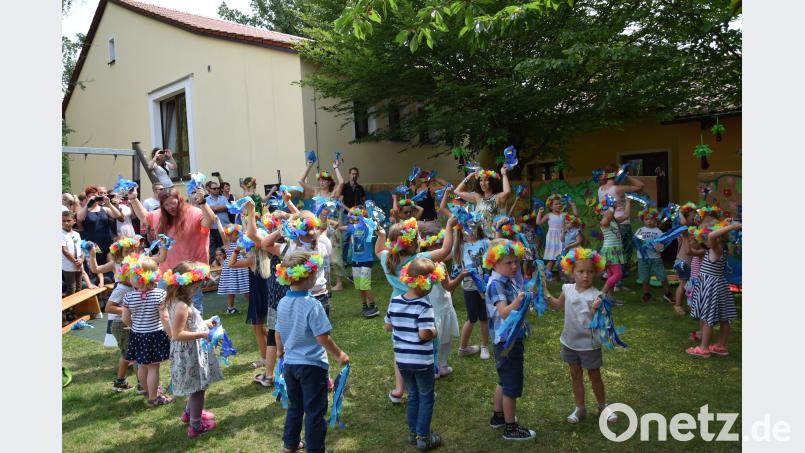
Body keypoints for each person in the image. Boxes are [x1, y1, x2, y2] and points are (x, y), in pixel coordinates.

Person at [275, 250, 350, 453]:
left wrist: (280, 352)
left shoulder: (282, 302)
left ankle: (290, 445)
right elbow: (322, 337)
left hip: (290, 365)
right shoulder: (312, 305)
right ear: (309, 277)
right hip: (312, 366)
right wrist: (339, 354)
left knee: (295, 407)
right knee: (315, 411)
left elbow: (278, 332)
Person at [376, 217, 456, 404]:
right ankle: (424, 388)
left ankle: (398, 389)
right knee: (426, 347)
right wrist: (449, 227)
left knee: (401, 348)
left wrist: (380, 235)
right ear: (412, 243)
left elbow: (379, 250)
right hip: (419, 307)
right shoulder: (420, 260)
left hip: (397, 307)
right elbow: (445, 251)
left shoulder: (388, 258)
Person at [545, 247, 619, 425]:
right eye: (580, 271)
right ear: (571, 272)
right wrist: (546, 294)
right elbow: (557, 306)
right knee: (575, 375)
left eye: (590, 272)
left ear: (596, 273)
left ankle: (602, 406)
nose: (585, 276)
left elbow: (599, 322)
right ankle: (580, 408)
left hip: (589, 344)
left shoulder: (597, 295)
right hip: (570, 342)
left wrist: (595, 309)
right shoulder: (567, 288)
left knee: (595, 376)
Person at [88, 235, 165, 392]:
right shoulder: (120, 277)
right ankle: (141, 385)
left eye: (133, 250)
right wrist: (92, 256)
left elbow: (161, 257)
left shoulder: (141, 262)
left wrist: (164, 245)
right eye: (127, 251)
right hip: (123, 322)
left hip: (132, 321)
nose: (131, 253)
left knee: (130, 354)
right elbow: (96, 271)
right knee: (134, 355)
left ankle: (124, 381)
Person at [385, 257, 443, 450]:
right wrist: (434, 331)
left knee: (413, 396)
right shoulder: (424, 306)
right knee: (427, 397)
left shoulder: (395, 301)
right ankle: (423, 438)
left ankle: (413, 433)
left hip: (402, 360)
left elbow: (387, 325)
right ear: (425, 283)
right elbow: (424, 334)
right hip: (421, 360)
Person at [129, 187, 215, 314]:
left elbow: (209, 221)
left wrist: (203, 202)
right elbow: (145, 217)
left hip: (190, 271)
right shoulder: (160, 215)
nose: (170, 207)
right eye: (166, 204)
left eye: (172, 203)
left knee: (193, 306)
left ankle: (197, 332)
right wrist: (133, 199)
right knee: (164, 305)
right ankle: (172, 332)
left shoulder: (193, 212)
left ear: (179, 200)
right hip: (167, 271)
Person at [162, 261, 223, 438]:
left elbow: (191, 324)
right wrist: (204, 334)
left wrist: (206, 323)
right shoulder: (182, 305)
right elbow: (178, 334)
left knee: (195, 385)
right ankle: (195, 425)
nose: (197, 288)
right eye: (195, 286)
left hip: (191, 351)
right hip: (189, 353)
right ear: (186, 285)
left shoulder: (177, 300)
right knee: (198, 388)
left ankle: (190, 413)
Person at [483, 239, 536, 441]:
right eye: (508, 263)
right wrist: (519, 300)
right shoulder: (497, 284)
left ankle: (498, 416)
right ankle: (510, 427)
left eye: (516, 261)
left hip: (507, 340)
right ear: (494, 263)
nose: (514, 266)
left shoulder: (506, 279)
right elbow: (504, 312)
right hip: (507, 342)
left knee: (504, 380)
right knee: (512, 384)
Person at [686, 218, 742, 358]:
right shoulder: (716, 249)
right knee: (724, 318)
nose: (702, 237)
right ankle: (720, 346)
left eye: (704, 234)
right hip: (717, 285)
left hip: (710, 286)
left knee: (707, 317)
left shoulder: (716, 249)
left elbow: (711, 236)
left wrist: (731, 227)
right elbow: (691, 250)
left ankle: (703, 348)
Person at [121, 255, 172, 406]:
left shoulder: (128, 297)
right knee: (153, 367)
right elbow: (164, 317)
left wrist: (136, 325)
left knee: (142, 365)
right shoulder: (160, 294)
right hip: (155, 335)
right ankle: (153, 398)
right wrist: (171, 334)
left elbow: (125, 318)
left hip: (137, 335)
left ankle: (149, 391)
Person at [420, 231, 461, 378]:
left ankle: (439, 366)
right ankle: (439, 366)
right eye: (435, 246)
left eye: (439, 244)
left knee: (441, 338)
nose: (439, 248)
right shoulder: (440, 266)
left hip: (435, 307)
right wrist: (461, 276)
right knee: (442, 339)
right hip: (440, 306)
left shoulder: (419, 266)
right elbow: (449, 286)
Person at [597, 165, 645, 282]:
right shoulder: (618, 189)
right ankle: (618, 280)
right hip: (621, 222)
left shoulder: (600, 189)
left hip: (607, 222)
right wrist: (626, 176)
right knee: (623, 254)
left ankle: (610, 276)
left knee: (612, 251)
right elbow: (641, 186)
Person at [452, 222, 491, 359]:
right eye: (466, 228)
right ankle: (462, 348)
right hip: (469, 286)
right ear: (461, 231)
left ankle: (485, 347)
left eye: (473, 227)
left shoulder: (485, 242)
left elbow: (492, 257)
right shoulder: (460, 247)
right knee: (471, 317)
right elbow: (457, 267)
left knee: (484, 317)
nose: (470, 231)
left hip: (485, 285)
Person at [453, 167, 512, 240]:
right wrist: (470, 176)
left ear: (492, 182)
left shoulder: (498, 197)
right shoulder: (478, 197)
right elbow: (456, 191)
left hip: (494, 238)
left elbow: (507, 192)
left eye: (486, 180)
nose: (483, 183)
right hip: (479, 238)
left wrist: (504, 174)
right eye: (481, 180)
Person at [339, 206, 378, 317]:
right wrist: (341, 212)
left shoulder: (367, 227)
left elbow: (364, 220)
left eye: (356, 214)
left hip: (366, 260)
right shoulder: (353, 228)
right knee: (359, 285)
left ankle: (373, 306)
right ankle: (364, 306)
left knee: (365, 284)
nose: (352, 216)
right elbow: (341, 227)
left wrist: (357, 213)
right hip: (356, 260)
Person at [78, 185, 123, 278]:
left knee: (108, 262)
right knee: (95, 264)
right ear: (87, 197)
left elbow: (117, 215)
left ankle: (109, 281)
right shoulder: (85, 210)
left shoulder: (105, 209)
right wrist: (88, 203)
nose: (94, 197)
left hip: (106, 242)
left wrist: (109, 203)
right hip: (93, 243)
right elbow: (79, 218)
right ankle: (97, 283)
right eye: (91, 195)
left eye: (96, 195)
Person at [633, 207, 672, 303]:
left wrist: (658, 247)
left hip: (655, 258)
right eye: (646, 219)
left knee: (662, 276)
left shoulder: (658, 231)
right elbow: (636, 241)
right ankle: (646, 294)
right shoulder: (640, 230)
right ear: (643, 220)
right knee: (644, 277)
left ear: (655, 219)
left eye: (651, 219)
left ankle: (668, 293)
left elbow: (662, 245)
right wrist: (640, 243)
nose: (649, 221)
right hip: (642, 258)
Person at [536, 194, 578, 280]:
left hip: (562, 236)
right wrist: (540, 212)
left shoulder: (564, 214)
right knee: (552, 258)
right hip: (552, 238)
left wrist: (572, 204)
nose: (559, 205)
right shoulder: (549, 215)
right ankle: (547, 276)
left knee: (563, 257)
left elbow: (575, 215)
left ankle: (563, 275)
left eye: (560, 203)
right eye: (556, 204)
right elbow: (538, 222)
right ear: (550, 206)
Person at [597, 197, 631, 300]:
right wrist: (612, 207)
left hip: (615, 250)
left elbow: (626, 215)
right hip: (610, 250)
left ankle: (610, 297)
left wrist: (628, 202)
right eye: (606, 210)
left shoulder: (614, 220)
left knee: (611, 274)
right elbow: (607, 217)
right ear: (602, 212)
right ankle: (601, 294)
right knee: (618, 274)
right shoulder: (604, 222)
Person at [216, 224, 249, 315]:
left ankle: (253, 305)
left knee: (246, 287)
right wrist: (218, 221)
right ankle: (230, 308)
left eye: (238, 233)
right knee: (231, 289)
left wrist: (242, 220)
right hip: (230, 269)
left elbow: (246, 232)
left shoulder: (242, 241)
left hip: (241, 267)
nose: (238, 235)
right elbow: (222, 233)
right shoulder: (227, 244)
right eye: (235, 234)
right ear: (228, 236)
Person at [205, 181, 231, 259]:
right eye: (214, 188)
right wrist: (222, 207)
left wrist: (216, 208)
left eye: (218, 188)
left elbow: (228, 207)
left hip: (226, 227)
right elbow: (211, 209)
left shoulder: (223, 198)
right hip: (214, 228)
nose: (217, 190)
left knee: (227, 248)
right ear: (209, 189)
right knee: (218, 249)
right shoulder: (206, 200)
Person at [61, 211, 84, 296]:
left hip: (79, 264)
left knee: (79, 287)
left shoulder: (76, 234)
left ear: (74, 221)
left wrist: (81, 260)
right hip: (69, 266)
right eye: (63, 221)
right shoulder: (61, 234)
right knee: (71, 288)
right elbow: (65, 250)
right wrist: (75, 261)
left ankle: (78, 308)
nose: (66, 223)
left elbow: (81, 248)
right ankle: (70, 308)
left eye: (68, 220)